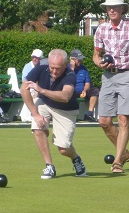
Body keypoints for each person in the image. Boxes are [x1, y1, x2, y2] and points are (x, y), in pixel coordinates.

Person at [93, 0, 129, 174]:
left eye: (115, 7)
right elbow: (96, 55)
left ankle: (117, 163)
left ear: (123, 9)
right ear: (106, 10)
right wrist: (99, 63)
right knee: (104, 121)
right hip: (108, 76)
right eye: (109, 7)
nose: (112, 10)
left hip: (128, 76)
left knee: (123, 119)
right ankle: (124, 153)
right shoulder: (100, 30)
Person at [20, 49, 87, 179]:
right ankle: (49, 166)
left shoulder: (70, 75)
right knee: (37, 128)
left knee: (63, 149)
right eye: (52, 68)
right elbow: (24, 89)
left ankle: (75, 158)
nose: (54, 71)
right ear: (48, 63)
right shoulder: (41, 67)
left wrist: (41, 90)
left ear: (65, 64)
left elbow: (65, 96)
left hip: (66, 110)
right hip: (45, 103)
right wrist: (36, 114)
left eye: (58, 68)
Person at [69, 49, 99, 122]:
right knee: (69, 92)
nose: (80, 61)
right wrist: (72, 69)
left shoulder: (83, 68)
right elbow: (68, 80)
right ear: (72, 60)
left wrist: (85, 90)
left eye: (81, 59)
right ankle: (71, 115)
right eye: (78, 60)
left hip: (82, 91)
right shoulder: (66, 68)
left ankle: (89, 114)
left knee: (95, 91)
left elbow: (87, 82)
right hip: (72, 91)